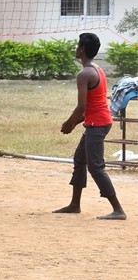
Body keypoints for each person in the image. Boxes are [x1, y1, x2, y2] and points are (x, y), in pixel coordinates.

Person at [53, 33, 127, 220]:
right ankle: (75, 204)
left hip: (98, 124)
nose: (76, 48)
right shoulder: (97, 69)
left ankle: (118, 210)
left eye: (78, 46)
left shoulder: (84, 74)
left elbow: (82, 107)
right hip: (98, 121)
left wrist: (69, 123)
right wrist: (73, 124)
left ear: (82, 49)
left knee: (95, 167)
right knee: (80, 160)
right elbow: (91, 107)